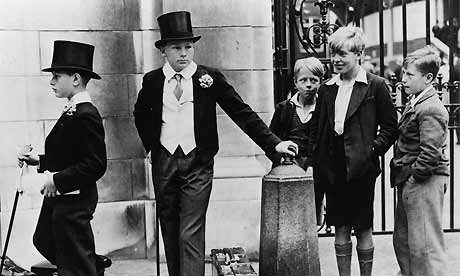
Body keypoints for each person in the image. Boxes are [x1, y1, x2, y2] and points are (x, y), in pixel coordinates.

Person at [133, 11, 297, 276]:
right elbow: (140, 114)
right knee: (170, 230)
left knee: (190, 232)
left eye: (188, 47)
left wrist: (273, 144)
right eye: (176, 47)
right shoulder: (152, 81)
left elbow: (241, 112)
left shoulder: (208, 78)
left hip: (197, 164)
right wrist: (152, 146)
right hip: (164, 164)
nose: (184, 53)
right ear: (163, 50)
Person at [310, 26, 398, 276]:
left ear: (358, 53)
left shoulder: (374, 85)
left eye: (342, 54)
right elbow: (319, 127)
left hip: (361, 166)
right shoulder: (327, 88)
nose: (336, 60)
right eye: (333, 53)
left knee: (362, 227)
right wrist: (317, 160)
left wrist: (373, 150)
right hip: (333, 165)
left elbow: (391, 126)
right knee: (339, 226)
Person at [17, 40, 107, 276]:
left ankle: (87, 266)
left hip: (75, 202)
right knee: (44, 239)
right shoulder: (73, 110)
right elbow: (70, 155)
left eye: (56, 76)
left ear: (75, 79)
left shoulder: (86, 114)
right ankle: (89, 263)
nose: (51, 81)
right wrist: (40, 160)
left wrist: (56, 180)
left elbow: (95, 164)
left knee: (74, 262)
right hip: (62, 199)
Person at [391, 46, 450, 276]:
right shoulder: (416, 101)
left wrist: (415, 179)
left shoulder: (431, 108)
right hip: (412, 180)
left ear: (428, 78)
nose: (403, 79)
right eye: (403, 73)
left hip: (424, 182)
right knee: (405, 241)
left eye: (409, 75)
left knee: (425, 246)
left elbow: (430, 154)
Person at [268, 56, 325, 224]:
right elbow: (272, 141)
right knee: (287, 215)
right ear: (295, 82)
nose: (308, 85)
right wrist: (281, 161)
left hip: (313, 170)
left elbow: (324, 142)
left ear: (320, 82)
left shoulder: (323, 109)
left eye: (313, 80)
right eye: (303, 80)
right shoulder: (284, 108)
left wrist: (314, 165)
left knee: (310, 217)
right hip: (287, 167)